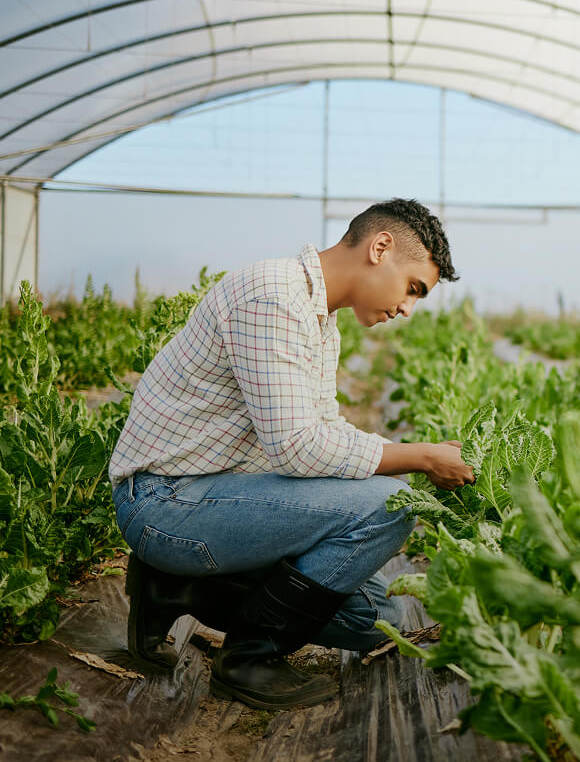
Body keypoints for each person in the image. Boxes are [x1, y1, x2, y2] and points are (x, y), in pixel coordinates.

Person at [109, 198, 475, 710]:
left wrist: (415, 453)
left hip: (217, 496)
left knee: (379, 621)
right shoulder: (272, 298)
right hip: (165, 502)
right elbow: (299, 449)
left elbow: (322, 432)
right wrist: (419, 457)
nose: (407, 308)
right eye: (413, 288)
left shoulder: (320, 319)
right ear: (381, 247)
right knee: (395, 504)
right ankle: (247, 660)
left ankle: (172, 590)